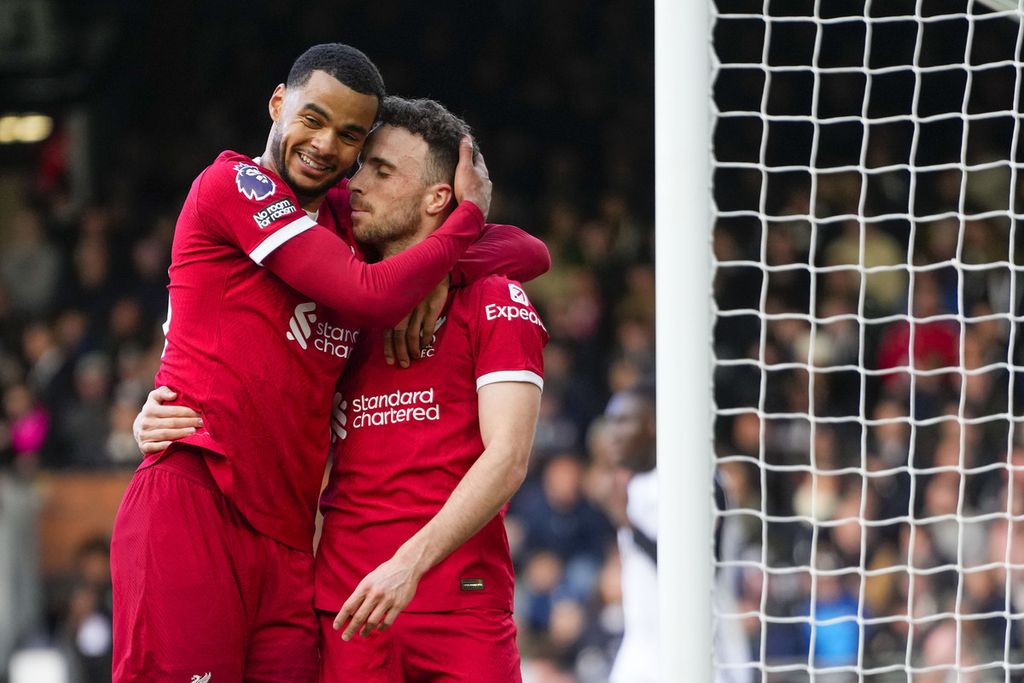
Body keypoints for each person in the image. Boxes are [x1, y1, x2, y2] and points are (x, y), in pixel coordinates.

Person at [111, 43, 547, 683]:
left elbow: (526, 250)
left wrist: (440, 263)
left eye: (350, 136)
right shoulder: (233, 184)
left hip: (289, 548)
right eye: (311, 119)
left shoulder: (346, 224)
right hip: (200, 494)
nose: (324, 147)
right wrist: (466, 218)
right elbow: (366, 295)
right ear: (278, 103)